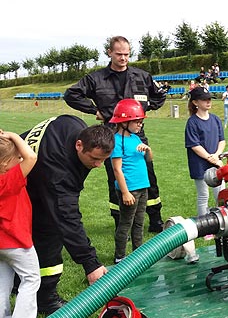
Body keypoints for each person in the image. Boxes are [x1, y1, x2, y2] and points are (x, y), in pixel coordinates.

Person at [64, 35, 166, 233]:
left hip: (136, 135)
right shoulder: (96, 79)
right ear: (109, 53)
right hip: (110, 136)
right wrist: (95, 111)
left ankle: (155, 219)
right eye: (119, 54)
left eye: (127, 54)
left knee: (147, 175)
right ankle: (121, 222)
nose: (123, 58)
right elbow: (71, 94)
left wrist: (144, 111)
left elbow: (159, 95)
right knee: (116, 178)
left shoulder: (141, 76)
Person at [22, 116, 114, 314]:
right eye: (95, 159)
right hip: (18, 186)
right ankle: (45, 298)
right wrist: (91, 264)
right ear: (79, 145)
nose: (98, 166)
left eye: (103, 160)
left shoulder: (73, 124)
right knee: (51, 233)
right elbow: (67, 218)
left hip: (33, 180)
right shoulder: (59, 172)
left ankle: (19, 282)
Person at [0, 130, 40, 318]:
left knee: (2, 281)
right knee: (31, 278)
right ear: (6, 164)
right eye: (17, 157)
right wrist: (15, 136)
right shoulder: (8, 180)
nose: (21, 159)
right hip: (17, 242)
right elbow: (32, 156)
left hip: (1, 244)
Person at [108, 100, 152, 264]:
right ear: (124, 122)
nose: (140, 125)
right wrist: (125, 192)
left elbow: (148, 159)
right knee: (126, 223)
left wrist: (148, 150)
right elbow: (117, 169)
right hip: (130, 189)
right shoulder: (117, 141)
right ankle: (120, 256)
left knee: (139, 223)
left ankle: (138, 254)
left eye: (141, 122)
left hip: (143, 187)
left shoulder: (135, 138)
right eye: (137, 121)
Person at [185, 87, 225, 220]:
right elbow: (195, 146)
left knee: (221, 194)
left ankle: (222, 222)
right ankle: (204, 225)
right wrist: (210, 157)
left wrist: (217, 155)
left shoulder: (215, 119)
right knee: (203, 195)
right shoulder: (192, 122)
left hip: (216, 161)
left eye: (209, 99)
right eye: (204, 99)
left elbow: (222, 140)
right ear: (195, 102)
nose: (208, 102)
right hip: (200, 164)